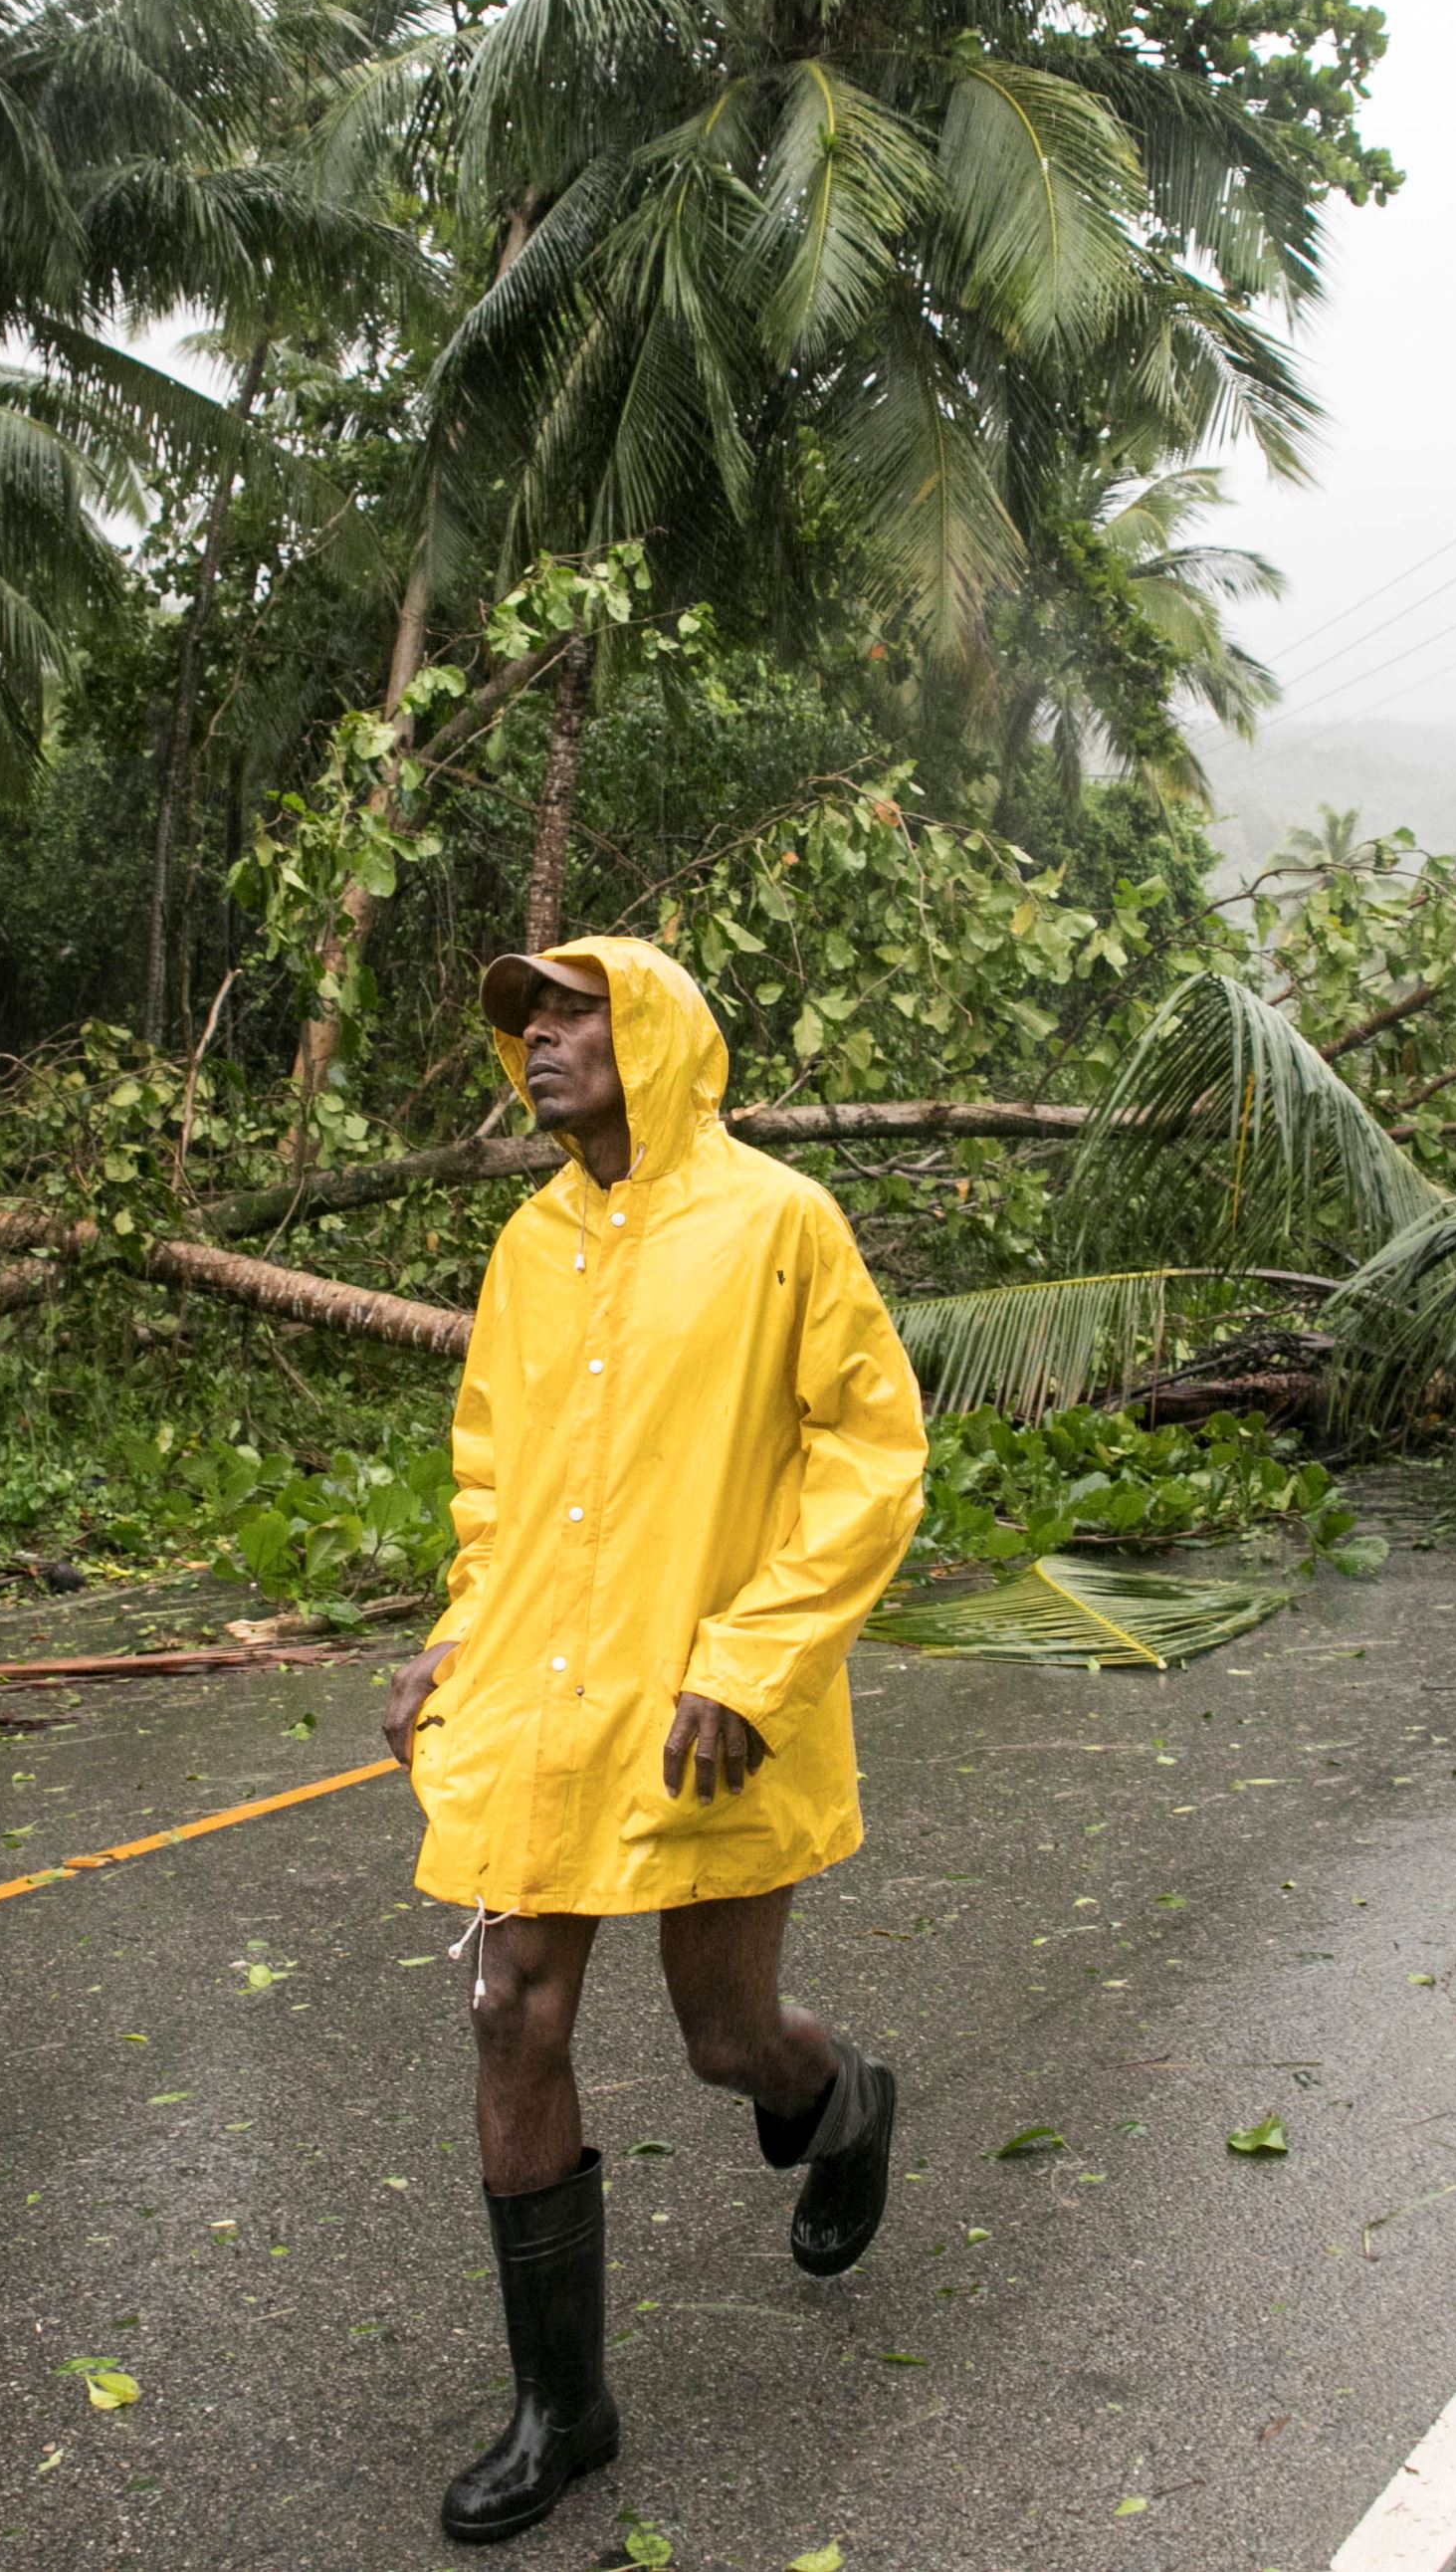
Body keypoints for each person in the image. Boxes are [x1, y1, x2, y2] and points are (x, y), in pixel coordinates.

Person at [378, 935, 929, 2547]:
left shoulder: (776, 1224)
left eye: (570, 1013)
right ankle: (564, 2406)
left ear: (658, 1035)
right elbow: (496, 1479)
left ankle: (842, 2101)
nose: (538, 1042)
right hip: (545, 1692)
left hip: (707, 1706)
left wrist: (754, 1663)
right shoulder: (527, 1245)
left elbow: (870, 1452)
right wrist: (454, 1638)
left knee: (721, 2039)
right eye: (523, 1022)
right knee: (510, 2010)